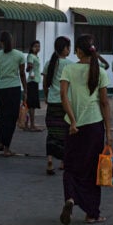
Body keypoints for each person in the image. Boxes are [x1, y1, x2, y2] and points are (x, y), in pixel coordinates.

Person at [58, 33, 113, 225]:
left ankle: (70, 198)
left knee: (71, 166)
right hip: (94, 125)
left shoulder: (69, 69)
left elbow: (63, 95)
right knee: (91, 170)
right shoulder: (101, 72)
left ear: (78, 51)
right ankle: (92, 213)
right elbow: (105, 103)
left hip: (74, 126)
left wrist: (72, 120)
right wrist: (108, 131)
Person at [0, 31, 27, 157]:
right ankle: (6, 147)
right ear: (12, 41)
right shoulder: (19, 55)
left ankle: (1, 142)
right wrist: (25, 90)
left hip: (0, 89)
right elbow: (22, 74)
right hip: (14, 88)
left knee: (2, 116)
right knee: (11, 118)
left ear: (1, 42)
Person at [42, 36, 71, 175]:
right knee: (65, 132)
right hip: (64, 102)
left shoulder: (49, 63)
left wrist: (47, 96)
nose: (69, 50)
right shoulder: (69, 64)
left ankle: (49, 161)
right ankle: (63, 161)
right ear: (64, 48)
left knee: (52, 133)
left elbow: (45, 82)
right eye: (68, 47)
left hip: (52, 102)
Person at [24, 40, 42, 131]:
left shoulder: (36, 57)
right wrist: (29, 67)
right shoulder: (31, 56)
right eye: (35, 46)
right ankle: (32, 125)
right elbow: (28, 68)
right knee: (31, 105)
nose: (37, 48)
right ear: (31, 48)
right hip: (32, 82)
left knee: (31, 104)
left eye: (38, 46)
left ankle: (27, 124)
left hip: (35, 81)